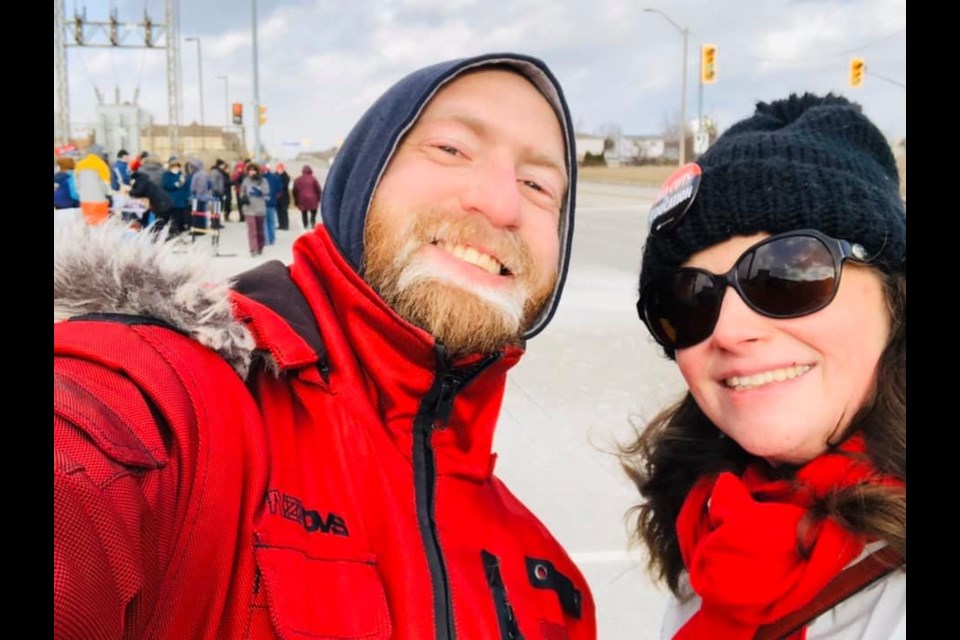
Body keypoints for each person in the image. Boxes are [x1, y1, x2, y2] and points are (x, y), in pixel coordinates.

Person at [54, 52, 595, 639]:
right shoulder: (171, 408)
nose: (502, 205)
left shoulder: (551, 584)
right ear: (361, 179)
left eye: (538, 185)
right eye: (451, 149)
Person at [621, 93, 906, 639]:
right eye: (690, 297)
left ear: (894, 297)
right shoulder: (712, 529)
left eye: (788, 273)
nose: (729, 329)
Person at [238, 162, 270, 256]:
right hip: (249, 209)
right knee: (252, 230)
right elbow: (242, 192)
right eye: (250, 170)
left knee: (260, 230)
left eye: (253, 170)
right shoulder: (246, 181)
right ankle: (253, 249)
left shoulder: (263, 181)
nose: (251, 172)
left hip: (260, 208)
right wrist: (244, 198)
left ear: (257, 171)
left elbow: (266, 192)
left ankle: (260, 247)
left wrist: (259, 192)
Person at [292, 163, 323, 232]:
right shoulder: (313, 179)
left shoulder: (298, 179)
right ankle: (312, 222)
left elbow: (295, 190)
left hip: (302, 199)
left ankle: (305, 224)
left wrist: (296, 199)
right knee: (313, 211)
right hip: (313, 198)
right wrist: (319, 198)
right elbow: (318, 189)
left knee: (304, 212)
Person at [275, 162, 292, 230]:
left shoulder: (286, 176)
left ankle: (286, 225)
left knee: (284, 211)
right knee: (278, 211)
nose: (279, 170)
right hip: (277, 197)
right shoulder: (275, 175)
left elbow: (285, 185)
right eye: (278, 168)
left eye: (281, 168)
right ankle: (281, 224)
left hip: (284, 197)